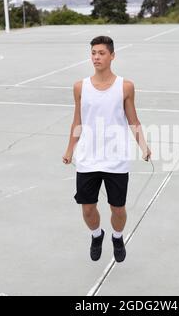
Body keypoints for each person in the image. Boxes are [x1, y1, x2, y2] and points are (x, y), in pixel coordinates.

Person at [62, 35, 151, 263]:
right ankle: (96, 235)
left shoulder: (126, 86)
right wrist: (70, 149)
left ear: (112, 55)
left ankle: (117, 237)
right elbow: (77, 121)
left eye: (101, 53)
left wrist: (143, 146)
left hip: (116, 159)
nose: (96, 57)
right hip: (87, 159)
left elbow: (133, 120)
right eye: (93, 53)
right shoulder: (80, 87)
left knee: (118, 209)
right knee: (88, 209)